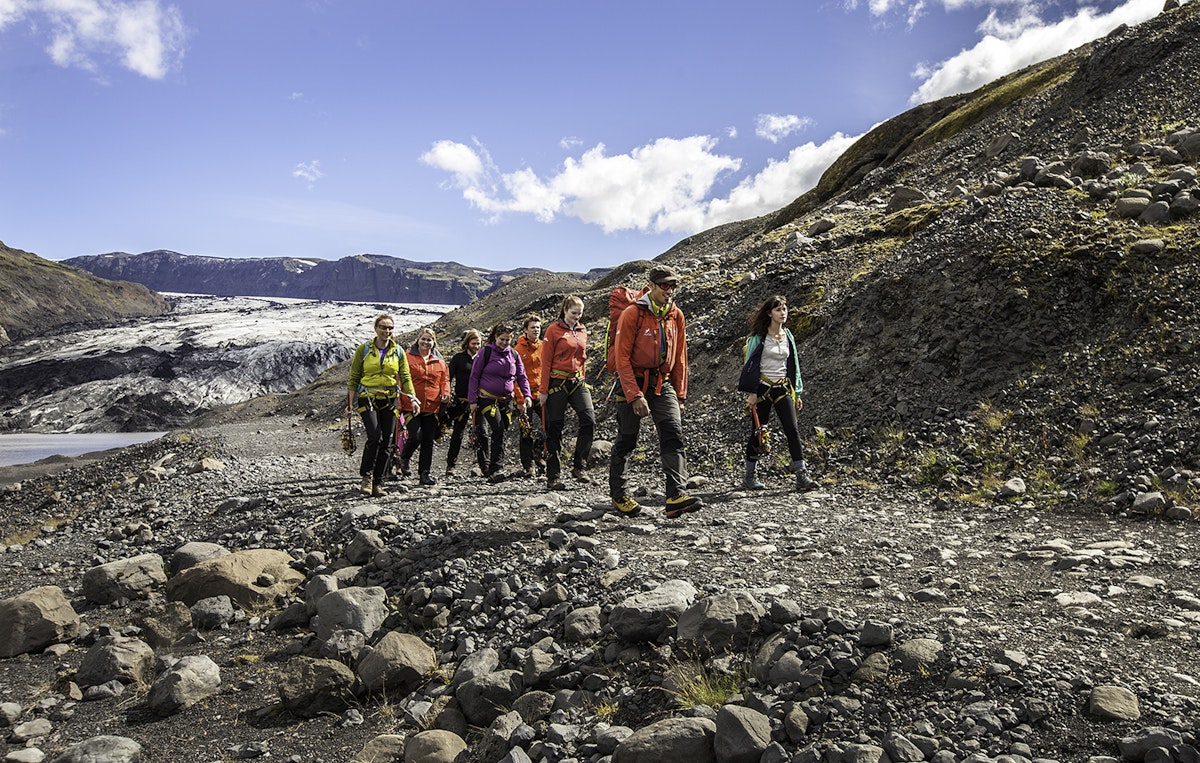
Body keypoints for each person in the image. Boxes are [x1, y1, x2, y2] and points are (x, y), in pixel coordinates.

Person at [608, 265, 702, 518]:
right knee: (627, 440)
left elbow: (681, 357)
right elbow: (621, 358)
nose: (669, 291)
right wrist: (634, 394)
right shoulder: (632, 314)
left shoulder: (676, 315)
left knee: (673, 432)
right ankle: (619, 496)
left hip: (663, 383)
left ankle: (675, 495)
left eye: (672, 286)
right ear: (651, 286)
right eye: (664, 285)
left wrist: (681, 395)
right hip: (633, 381)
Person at [738, 295, 818, 491]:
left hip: (782, 388)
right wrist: (751, 392)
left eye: (784, 309)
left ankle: (801, 474)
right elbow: (749, 366)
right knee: (758, 432)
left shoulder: (788, 336)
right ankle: (750, 475)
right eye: (779, 310)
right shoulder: (758, 338)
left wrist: (797, 392)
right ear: (769, 313)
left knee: (792, 430)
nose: (783, 313)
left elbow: (794, 365)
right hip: (763, 389)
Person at [347, 313, 420, 497]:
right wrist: (349, 403)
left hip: (389, 397)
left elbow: (405, 376)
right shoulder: (363, 349)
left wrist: (412, 397)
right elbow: (354, 376)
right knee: (374, 436)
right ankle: (367, 476)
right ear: (376, 328)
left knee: (387, 441)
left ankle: (378, 482)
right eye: (383, 327)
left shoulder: (398, 351)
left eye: (390, 328)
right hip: (367, 397)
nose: (387, 331)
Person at [539, 295, 595, 491]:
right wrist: (543, 390)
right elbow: (545, 362)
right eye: (573, 313)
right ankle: (553, 476)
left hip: (577, 381)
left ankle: (579, 466)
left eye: (580, 314)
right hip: (557, 381)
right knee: (555, 428)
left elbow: (583, 357)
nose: (577, 317)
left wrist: (583, 377)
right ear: (565, 311)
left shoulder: (582, 330)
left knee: (589, 420)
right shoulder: (553, 330)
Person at [468, 322, 532, 483]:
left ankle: (492, 467)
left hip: (506, 401)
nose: (504, 343)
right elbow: (474, 376)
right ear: (495, 337)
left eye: (507, 340)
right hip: (487, 398)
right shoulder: (486, 352)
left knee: (502, 431)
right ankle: (496, 468)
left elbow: (522, 376)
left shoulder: (513, 354)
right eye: (502, 339)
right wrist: (472, 400)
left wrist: (526, 395)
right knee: (498, 429)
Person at [399, 328, 451, 486]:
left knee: (428, 440)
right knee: (415, 436)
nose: (426, 342)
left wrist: (446, 393)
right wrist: (399, 403)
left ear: (434, 342)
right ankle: (404, 458)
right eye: (423, 339)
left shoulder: (439, 361)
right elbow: (400, 379)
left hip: (432, 406)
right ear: (418, 340)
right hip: (411, 405)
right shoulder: (407, 358)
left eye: (429, 340)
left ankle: (424, 473)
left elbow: (445, 379)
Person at [444, 329, 481, 477]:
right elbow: (448, 377)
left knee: (481, 433)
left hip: (479, 401)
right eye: (473, 343)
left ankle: (481, 464)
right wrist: (448, 394)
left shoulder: (483, 358)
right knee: (458, 434)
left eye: (478, 343)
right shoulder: (458, 358)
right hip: (461, 402)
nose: (476, 346)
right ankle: (451, 465)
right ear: (467, 343)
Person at [513, 315, 546, 478]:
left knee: (550, 426)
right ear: (525, 330)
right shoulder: (517, 350)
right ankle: (528, 465)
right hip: (524, 396)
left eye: (538, 327)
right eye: (533, 327)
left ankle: (538, 453)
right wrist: (520, 399)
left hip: (540, 394)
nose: (536, 330)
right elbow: (514, 377)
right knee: (526, 430)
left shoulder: (544, 346)